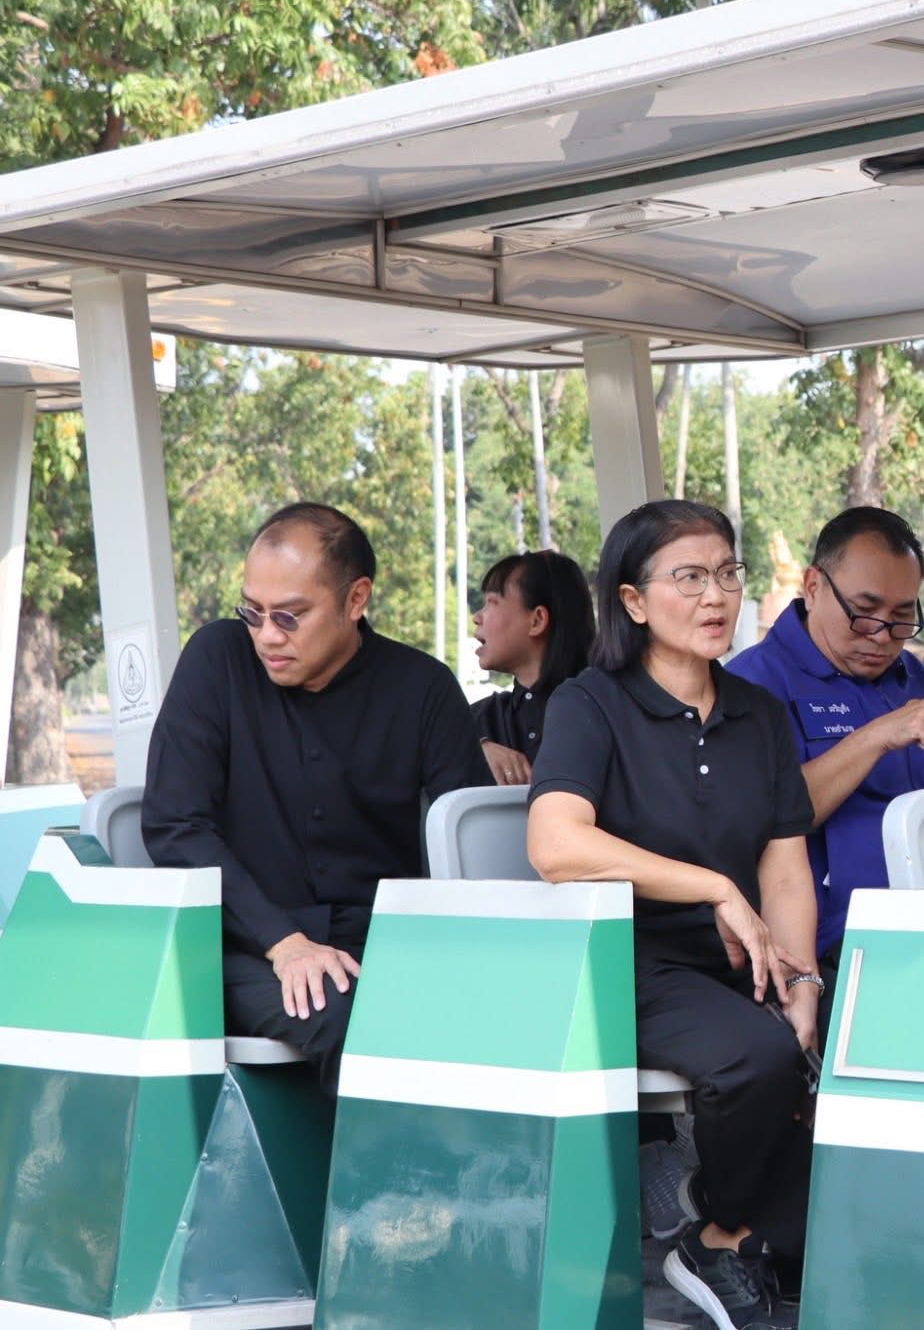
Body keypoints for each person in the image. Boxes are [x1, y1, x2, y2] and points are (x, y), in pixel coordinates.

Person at [527, 500, 816, 1330]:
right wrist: (710, 887)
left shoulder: (758, 712)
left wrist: (801, 980)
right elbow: (556, 843)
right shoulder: (592, 703)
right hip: (629, 957)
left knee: (834, 1055)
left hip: (741, 956)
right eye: (688, 577)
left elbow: (785, 862)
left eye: (726, 572)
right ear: (633, 600)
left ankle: (730, 1215)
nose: (716, 594)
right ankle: (718, 1238)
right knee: (760, 1057)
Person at [142, 503, 491, 1096]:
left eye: (290, 616)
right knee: (352, 1016)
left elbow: (470, 836)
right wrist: (283, 942)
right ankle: (380, 1191)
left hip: (384, 942)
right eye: (252, 612)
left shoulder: (422, 687)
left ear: (356, 600)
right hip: (244, 943)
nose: (267, 636)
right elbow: (175, 826)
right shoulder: (218, 658)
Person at [727, 507, 924, 966]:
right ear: (813, 587)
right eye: (864, 611)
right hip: (830, 945)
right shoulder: (751, 684)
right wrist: (876, 737)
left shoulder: (916, 679)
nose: (880, 635)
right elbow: (764, 817)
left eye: (901, 616)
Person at [470, 549, 594, 784]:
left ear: (537, 620)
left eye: (491, 602)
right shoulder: (478, 720)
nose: (477, 616)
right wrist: (477, 749)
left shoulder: (607, 709)